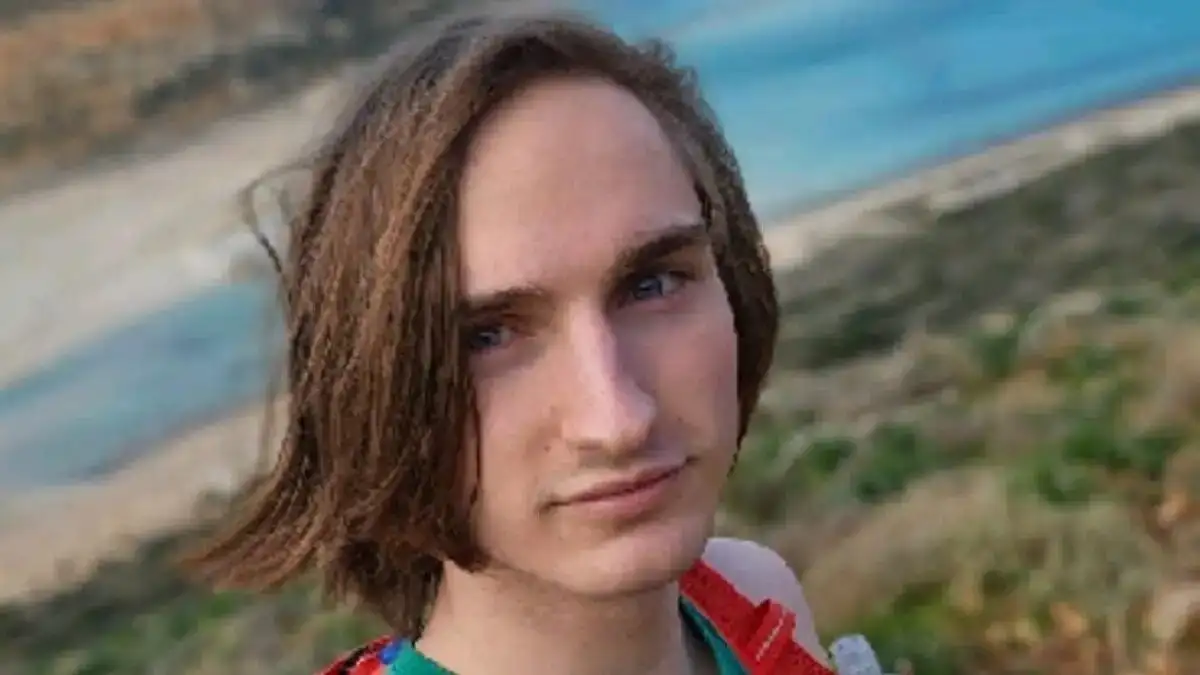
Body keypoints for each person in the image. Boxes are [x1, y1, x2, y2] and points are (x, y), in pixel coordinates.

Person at [185, 7, 837, 675]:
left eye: (651, 285)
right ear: (377, 393)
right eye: (487, 336)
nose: (618, 420)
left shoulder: (749, 603)